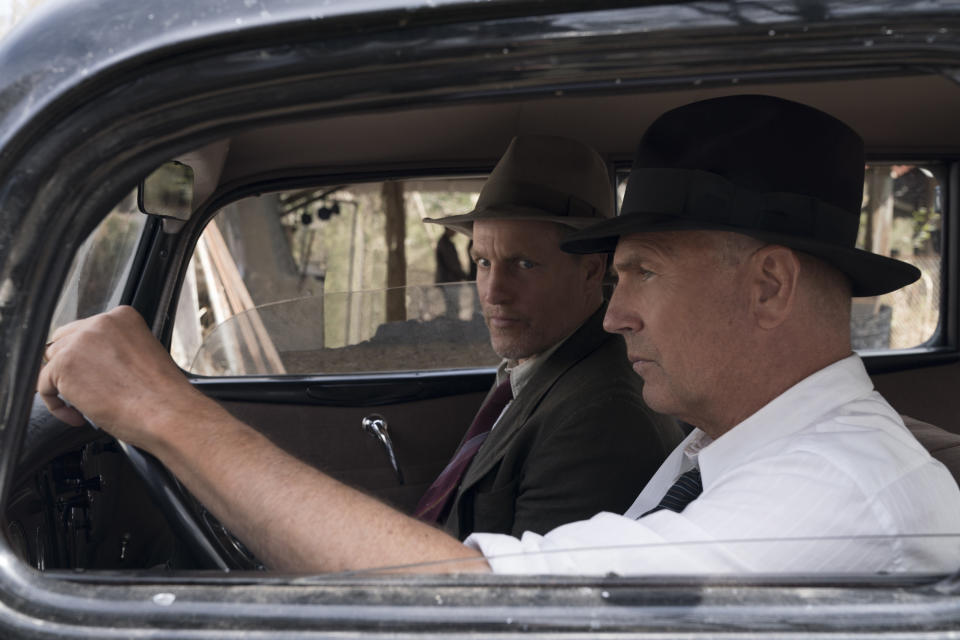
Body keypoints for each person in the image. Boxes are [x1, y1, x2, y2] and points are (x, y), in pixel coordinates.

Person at [38, 96, 960, 576]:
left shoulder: (824, 498)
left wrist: (165, 409)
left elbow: (477, 603)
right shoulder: (725, 449)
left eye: (641, 270)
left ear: (768, 286)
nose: (614, 312)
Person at [418, 135, 681, 539]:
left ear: (592, 272)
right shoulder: (538, 369)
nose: (492, 292)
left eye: (523, 264)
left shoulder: (601, 419)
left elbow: (535, 597)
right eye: (483, 262)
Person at [434, 226, 469, 318]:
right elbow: (452, 265)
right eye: (454, 229)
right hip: (449, 282)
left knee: (452, 307)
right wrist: (466, 276)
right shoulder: (445, 244)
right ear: (448, 229)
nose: (456, 232)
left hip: (448, 281)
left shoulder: (445, 242)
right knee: (452, 308)